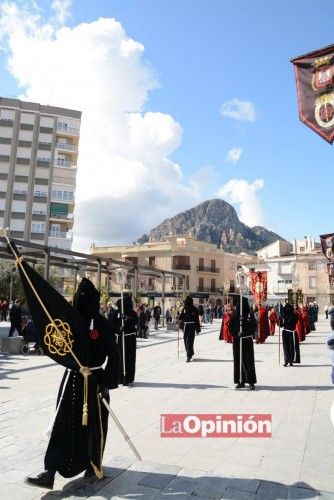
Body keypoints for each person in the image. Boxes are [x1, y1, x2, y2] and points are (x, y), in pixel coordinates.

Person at [25, 277, 119, 489]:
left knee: (95, 428)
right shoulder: (69, 323)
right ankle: (50, 471)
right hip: (72, 380)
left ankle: (93, 465)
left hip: (94, 382)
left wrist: (106, 380)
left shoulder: (102, 324)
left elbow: (114, 354)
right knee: (62, 424)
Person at [232, 296, 257, 390]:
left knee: (249, 361)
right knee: (238, 362)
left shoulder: (250, 315)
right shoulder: (235, 316)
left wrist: (245, 322)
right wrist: (237, 333)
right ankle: (240, 381)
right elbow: (231, 328)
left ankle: (251, 381)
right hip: (238, 342)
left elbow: (254, 327)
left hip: (247, 341)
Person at [111, 296, 137, 386]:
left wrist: (126, 318)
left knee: (130, 358)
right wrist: (119, 328)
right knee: (120, 358)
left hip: (130, 338)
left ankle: (129, 378)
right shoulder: (116, 313)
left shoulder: (132, 313)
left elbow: (135, 321)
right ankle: (120, 378)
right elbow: (111, 325)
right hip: (120, 338)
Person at [178, 295, 201, 362]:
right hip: (185, 326)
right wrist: (178, 317)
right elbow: (180, 317)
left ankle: (189, 356)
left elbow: (197, 320)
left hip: (192, 326)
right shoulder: (184, 309)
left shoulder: (195, 309)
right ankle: (190, 353)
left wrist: (197, 328)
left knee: (190, 341)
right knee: (185, 340)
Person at [282, 301, 300, 367]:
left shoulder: (291, 314)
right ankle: (289, 361)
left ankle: (289, 361)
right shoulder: (293, 314)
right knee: (291, 347)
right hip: (290, 332)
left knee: (287, 347)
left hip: (289, 332)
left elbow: (281, 324)